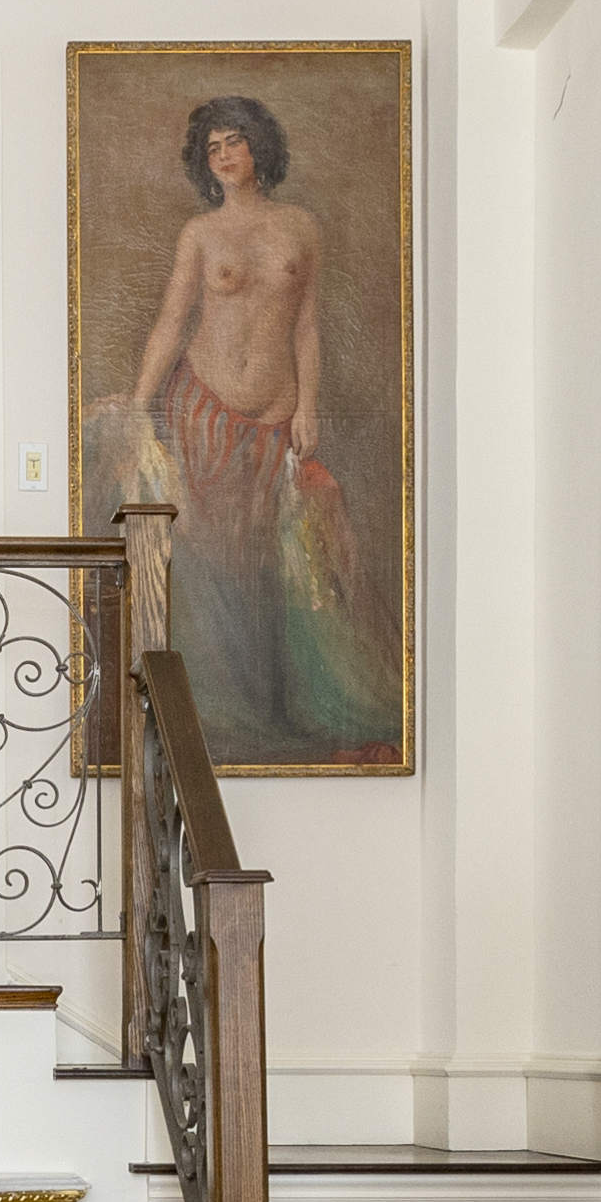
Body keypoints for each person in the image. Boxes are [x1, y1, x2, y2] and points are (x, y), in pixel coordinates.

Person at [113, 90, 400, 761]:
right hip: (202, 407)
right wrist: (138, 404)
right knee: (214, 561)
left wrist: (308, 405)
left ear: (258, 147)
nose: (223, 156)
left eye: (233, 142)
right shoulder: (199, 235)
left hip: (275, 413)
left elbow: (306, 324)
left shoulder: (300, 227)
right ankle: (213, 711)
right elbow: (169, 321)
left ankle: (281, 706)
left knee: (278, 561)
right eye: (212, 149)